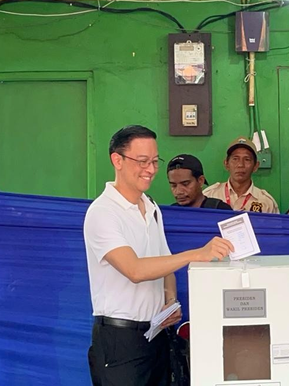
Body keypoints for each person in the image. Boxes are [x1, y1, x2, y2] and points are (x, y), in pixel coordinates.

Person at [84, 125, 234, 386]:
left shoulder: (151, 206)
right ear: (116, 160)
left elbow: (164, 262)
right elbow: (135, 270)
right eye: (142, 161)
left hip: (157, 335)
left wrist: (170, 299)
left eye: (154, 161)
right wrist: (196, 254)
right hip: (121, 342)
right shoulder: (102, 213)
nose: (151, 169)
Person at [203, 137, 279, 213]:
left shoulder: (266, 202)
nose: (240, 164)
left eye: (247, 159)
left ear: (255, 166)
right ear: (226, 164)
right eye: (235, 159)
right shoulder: (210, 195)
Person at [167, 154, 232, 209]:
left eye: (185, 184)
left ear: (201, 181)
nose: (179, 192)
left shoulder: (221, 210)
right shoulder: (169, 213)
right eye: (173, 185)